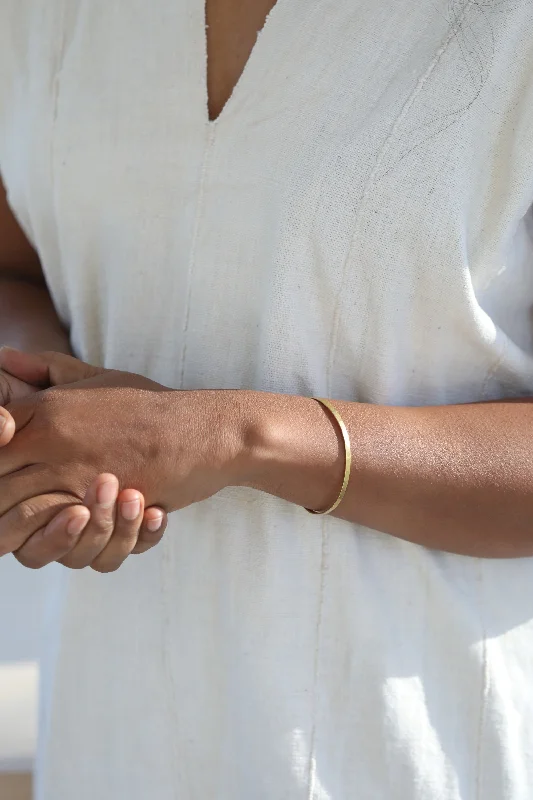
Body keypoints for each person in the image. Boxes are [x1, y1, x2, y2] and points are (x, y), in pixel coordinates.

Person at [1, 1, 533, 797]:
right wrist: (39, 414)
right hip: (113, 732)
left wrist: (236, 437)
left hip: (418, 746)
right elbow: (16, 268)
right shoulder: (47, 15)